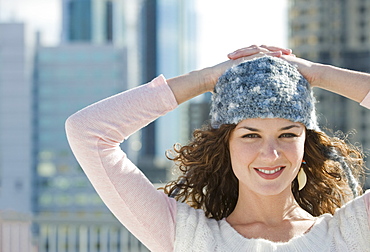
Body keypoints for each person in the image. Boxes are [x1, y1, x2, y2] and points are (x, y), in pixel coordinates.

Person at [66, 45, 370, 251]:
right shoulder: (189, 236)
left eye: (287, 135)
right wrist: (206, 78)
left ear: (307, 143)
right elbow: (88, 132)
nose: (270, 153)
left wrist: (315, 73)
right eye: (250, 136)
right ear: (226, 145)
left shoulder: (352, 232)